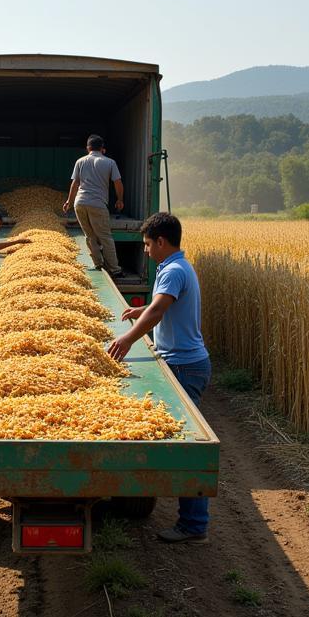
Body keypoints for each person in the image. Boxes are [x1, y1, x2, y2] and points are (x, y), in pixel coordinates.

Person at [107, 212, 212, 543]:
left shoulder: (173, 271)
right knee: (180, 437)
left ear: (162, 242)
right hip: (187, 362)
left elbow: (158, 310)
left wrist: (127, 338)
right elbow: (159, 306)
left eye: (148, 244)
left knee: (187, 445)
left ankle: (194, 526)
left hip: (184, 365)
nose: (146, 250)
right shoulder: (178, 268)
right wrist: (142, 310)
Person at [63, 134, 124, 277]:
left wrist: (69, 202)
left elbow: (75, 183)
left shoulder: (80, 161)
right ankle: (115, 269)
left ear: (88, 148)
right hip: (98, 204)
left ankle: (98, 263)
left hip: (80, 203)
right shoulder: (109, 162)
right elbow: (117, 182)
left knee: (89, 235)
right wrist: (120, 199)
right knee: (105, 237)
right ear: (102, 148)